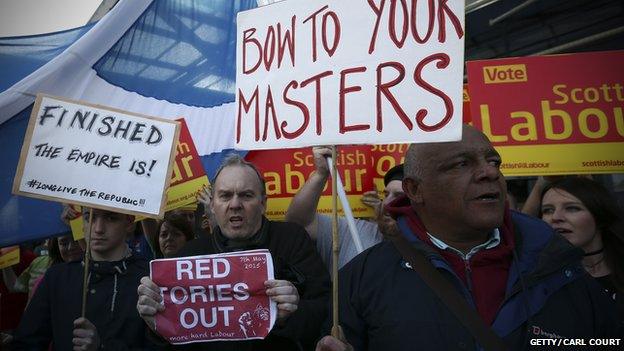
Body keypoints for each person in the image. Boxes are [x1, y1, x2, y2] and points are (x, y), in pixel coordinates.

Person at [316, 125, 620, 351]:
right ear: (415, 189)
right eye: (462, 164)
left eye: (494, 162)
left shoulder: (558, 263)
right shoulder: (364, 277)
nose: (489, 172)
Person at [137, 154, 330, 350]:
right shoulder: (189, 256)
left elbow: (326, 310)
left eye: (246, 195)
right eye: (225, 195)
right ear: (212, 205)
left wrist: (291, 314)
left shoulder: (291, 239)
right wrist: (158, 325)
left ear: (263, 203)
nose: (235, 204)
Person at [13, 208, 157, 350]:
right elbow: (27, 342)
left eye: (111, 218)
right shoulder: (57, 277)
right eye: (90, 217)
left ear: (129, 222)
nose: (98, 229)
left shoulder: (150, 278)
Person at [285, 146, 403, 271]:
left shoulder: (424, 248)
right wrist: (321, 173)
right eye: (385, 195)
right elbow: (297, 224)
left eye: (399, 196)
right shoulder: (354, 231)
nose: (386, 203)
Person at [541, 177, 624, 325]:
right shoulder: (536, 279)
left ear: (599, 216)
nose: (555, 217)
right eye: (547, 210)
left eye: (572, 208)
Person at [2, 234, 83, 299]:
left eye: (77, 241)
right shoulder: (39, 263)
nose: (71, 247)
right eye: (64, 243)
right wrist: (4, 259)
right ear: (56, 244)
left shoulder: (91, 270)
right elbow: (14, 286)